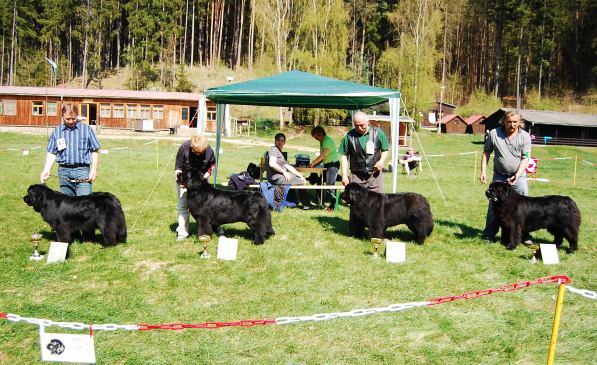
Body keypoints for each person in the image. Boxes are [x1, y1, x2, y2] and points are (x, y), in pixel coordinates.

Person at [479, 110, 532, 243]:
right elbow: (486, 153)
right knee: (494, 205)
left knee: (523, 208)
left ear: (520, 122)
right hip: (499, 177)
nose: (512, 124)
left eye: (515, 122)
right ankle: (489, 234)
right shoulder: (494, 134)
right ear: (504, 121)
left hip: (519, 177)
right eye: (509, 121)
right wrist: (483, 171)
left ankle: (524, 235)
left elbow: (525, 158)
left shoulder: (525, 136)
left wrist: (517, 175)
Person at [40, 103, 101, 196]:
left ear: (77, 115)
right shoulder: (57, 131)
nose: (71, 121)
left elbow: (95, 150)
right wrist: (46, 169)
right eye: (67, 119)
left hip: (82, 171)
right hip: (64, 172)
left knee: (84, 205)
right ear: (62, 116)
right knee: (67, 207)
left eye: (74, 118)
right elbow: (52, 152)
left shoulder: (87, 130)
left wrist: (94, 170)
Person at [175, 135, 216, 240]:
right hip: (185, 181)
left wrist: (204, 178)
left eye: (200, 152)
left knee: (207, 207)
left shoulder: (209, 151)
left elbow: (212, 166)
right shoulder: (184, 148)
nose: (197, 154)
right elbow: (178, 168)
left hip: (201, 183)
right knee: (183, 205)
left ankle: (210, 229)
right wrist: (181, 182)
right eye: (195, 151)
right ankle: (182, 232)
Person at [338, 111, 389, 193]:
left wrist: (381, 161)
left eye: (362, 125)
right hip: (356, 177)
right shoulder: (349, 136)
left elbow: (385, 149)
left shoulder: (378, 132)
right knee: (357, 204)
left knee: (378, 204)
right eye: (356, 125)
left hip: (375, 176)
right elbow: (344, 156)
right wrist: (344, 175)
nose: (359, 128)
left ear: (368, 122)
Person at [266, 133, 311, 209]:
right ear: (275, 141)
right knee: (300, 182)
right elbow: (272, 164)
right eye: (278, 140)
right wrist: (284, 172)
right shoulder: (274, 150)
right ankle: (306, 205)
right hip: (276, 179)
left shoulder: (279, 152)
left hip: (280, 177)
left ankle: (294, 202)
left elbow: (289, 167)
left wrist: (300, 175)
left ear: (284, 142)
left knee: (300, 178)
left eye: (282, 141)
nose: (280, 142)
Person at [308, 126, 340, 211]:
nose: (316, 139)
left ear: (320, 134)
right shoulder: (322, 141)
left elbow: (322, 155)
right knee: (320, 181)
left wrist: (314, 163)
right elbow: (322, 157)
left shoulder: (327, 140)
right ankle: (320, 201)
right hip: (327, 165)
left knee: (330, 185)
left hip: (333, 165)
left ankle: (333, 205)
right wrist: (313, 164)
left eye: (316, 137)